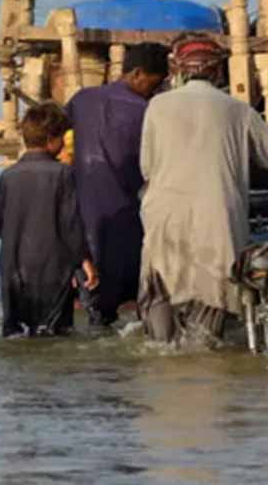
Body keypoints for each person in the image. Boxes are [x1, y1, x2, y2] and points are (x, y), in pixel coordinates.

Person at [138, 35, 268, 347]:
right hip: (218, 219)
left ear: (178, 70)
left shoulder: (157, 107)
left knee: (161, 302)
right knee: (212, 311)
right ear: (217, 72)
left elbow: (147, 167)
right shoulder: (236, 110)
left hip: (164, 216)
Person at [66, 44, 171, 326]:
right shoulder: (147, 112)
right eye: (156, 82)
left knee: (96, 306)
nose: (157, 89)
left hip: (84, 218)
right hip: (127, 216)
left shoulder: (82, 99)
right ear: (137, 74)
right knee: (137, 299)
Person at [0, 103, 99, 337]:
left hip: (12, 267)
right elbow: (71, 224)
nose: (62, 144)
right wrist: (84, 260)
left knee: (16, 334)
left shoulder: (7, 176)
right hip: (52, 268)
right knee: (55, 334)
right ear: (51, 139)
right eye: (61, 137)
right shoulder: (63, 174)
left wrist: (18, 240)